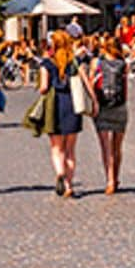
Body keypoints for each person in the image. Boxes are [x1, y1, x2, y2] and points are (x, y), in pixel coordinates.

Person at [30, 32, 82, 197]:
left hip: (55, 106)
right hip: (72, 105)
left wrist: (42, 87)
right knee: (70, 150)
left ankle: (60, 173)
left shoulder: (47, 63)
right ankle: (69, 185)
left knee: (57, 147)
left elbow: (44, 87)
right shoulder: (73, 62)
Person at [92, 34, 131, 194]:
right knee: (117, 146)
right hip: (119, 106)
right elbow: (126, 87)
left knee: (105, 147)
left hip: (102, 106)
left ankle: (109, 180)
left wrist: (93, 103)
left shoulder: (97, 62)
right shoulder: (123, 64)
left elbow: (91, 84)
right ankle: (115, 177)